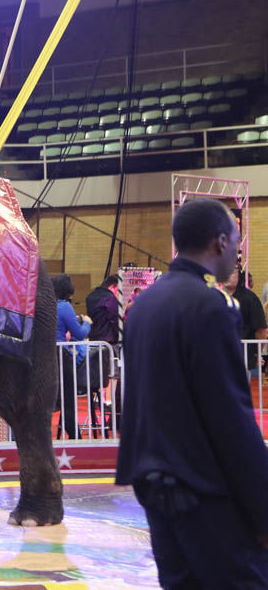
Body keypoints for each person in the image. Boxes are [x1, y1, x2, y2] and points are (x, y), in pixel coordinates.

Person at [116, 198, 268, 587]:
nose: (238, 250)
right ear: (220, 242)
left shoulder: (143, 305)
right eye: (236, 240)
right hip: (205, 489)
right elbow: (230, 417)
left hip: (153, 484)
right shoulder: (212, 306)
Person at [53, 273, 91, 441]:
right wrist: (87, 322)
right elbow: (80, 334)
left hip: (44, 355)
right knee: (68, 399)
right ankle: (74, 435)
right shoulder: (65, 307)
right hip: (61, 357)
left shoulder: (45, 305)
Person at [225, 264, 267, 374]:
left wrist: (257, 352)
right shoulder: (215, 296)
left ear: (240, 274)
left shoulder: (250, 298)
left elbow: (261, 330)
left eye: (232, 271)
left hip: (242, 356)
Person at [86, 275, 120, 347]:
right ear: (113, 286)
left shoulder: (90, 296)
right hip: (108, 341)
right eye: (118, 289)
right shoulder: (110, 298)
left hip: (93, 338)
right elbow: (115, 319)